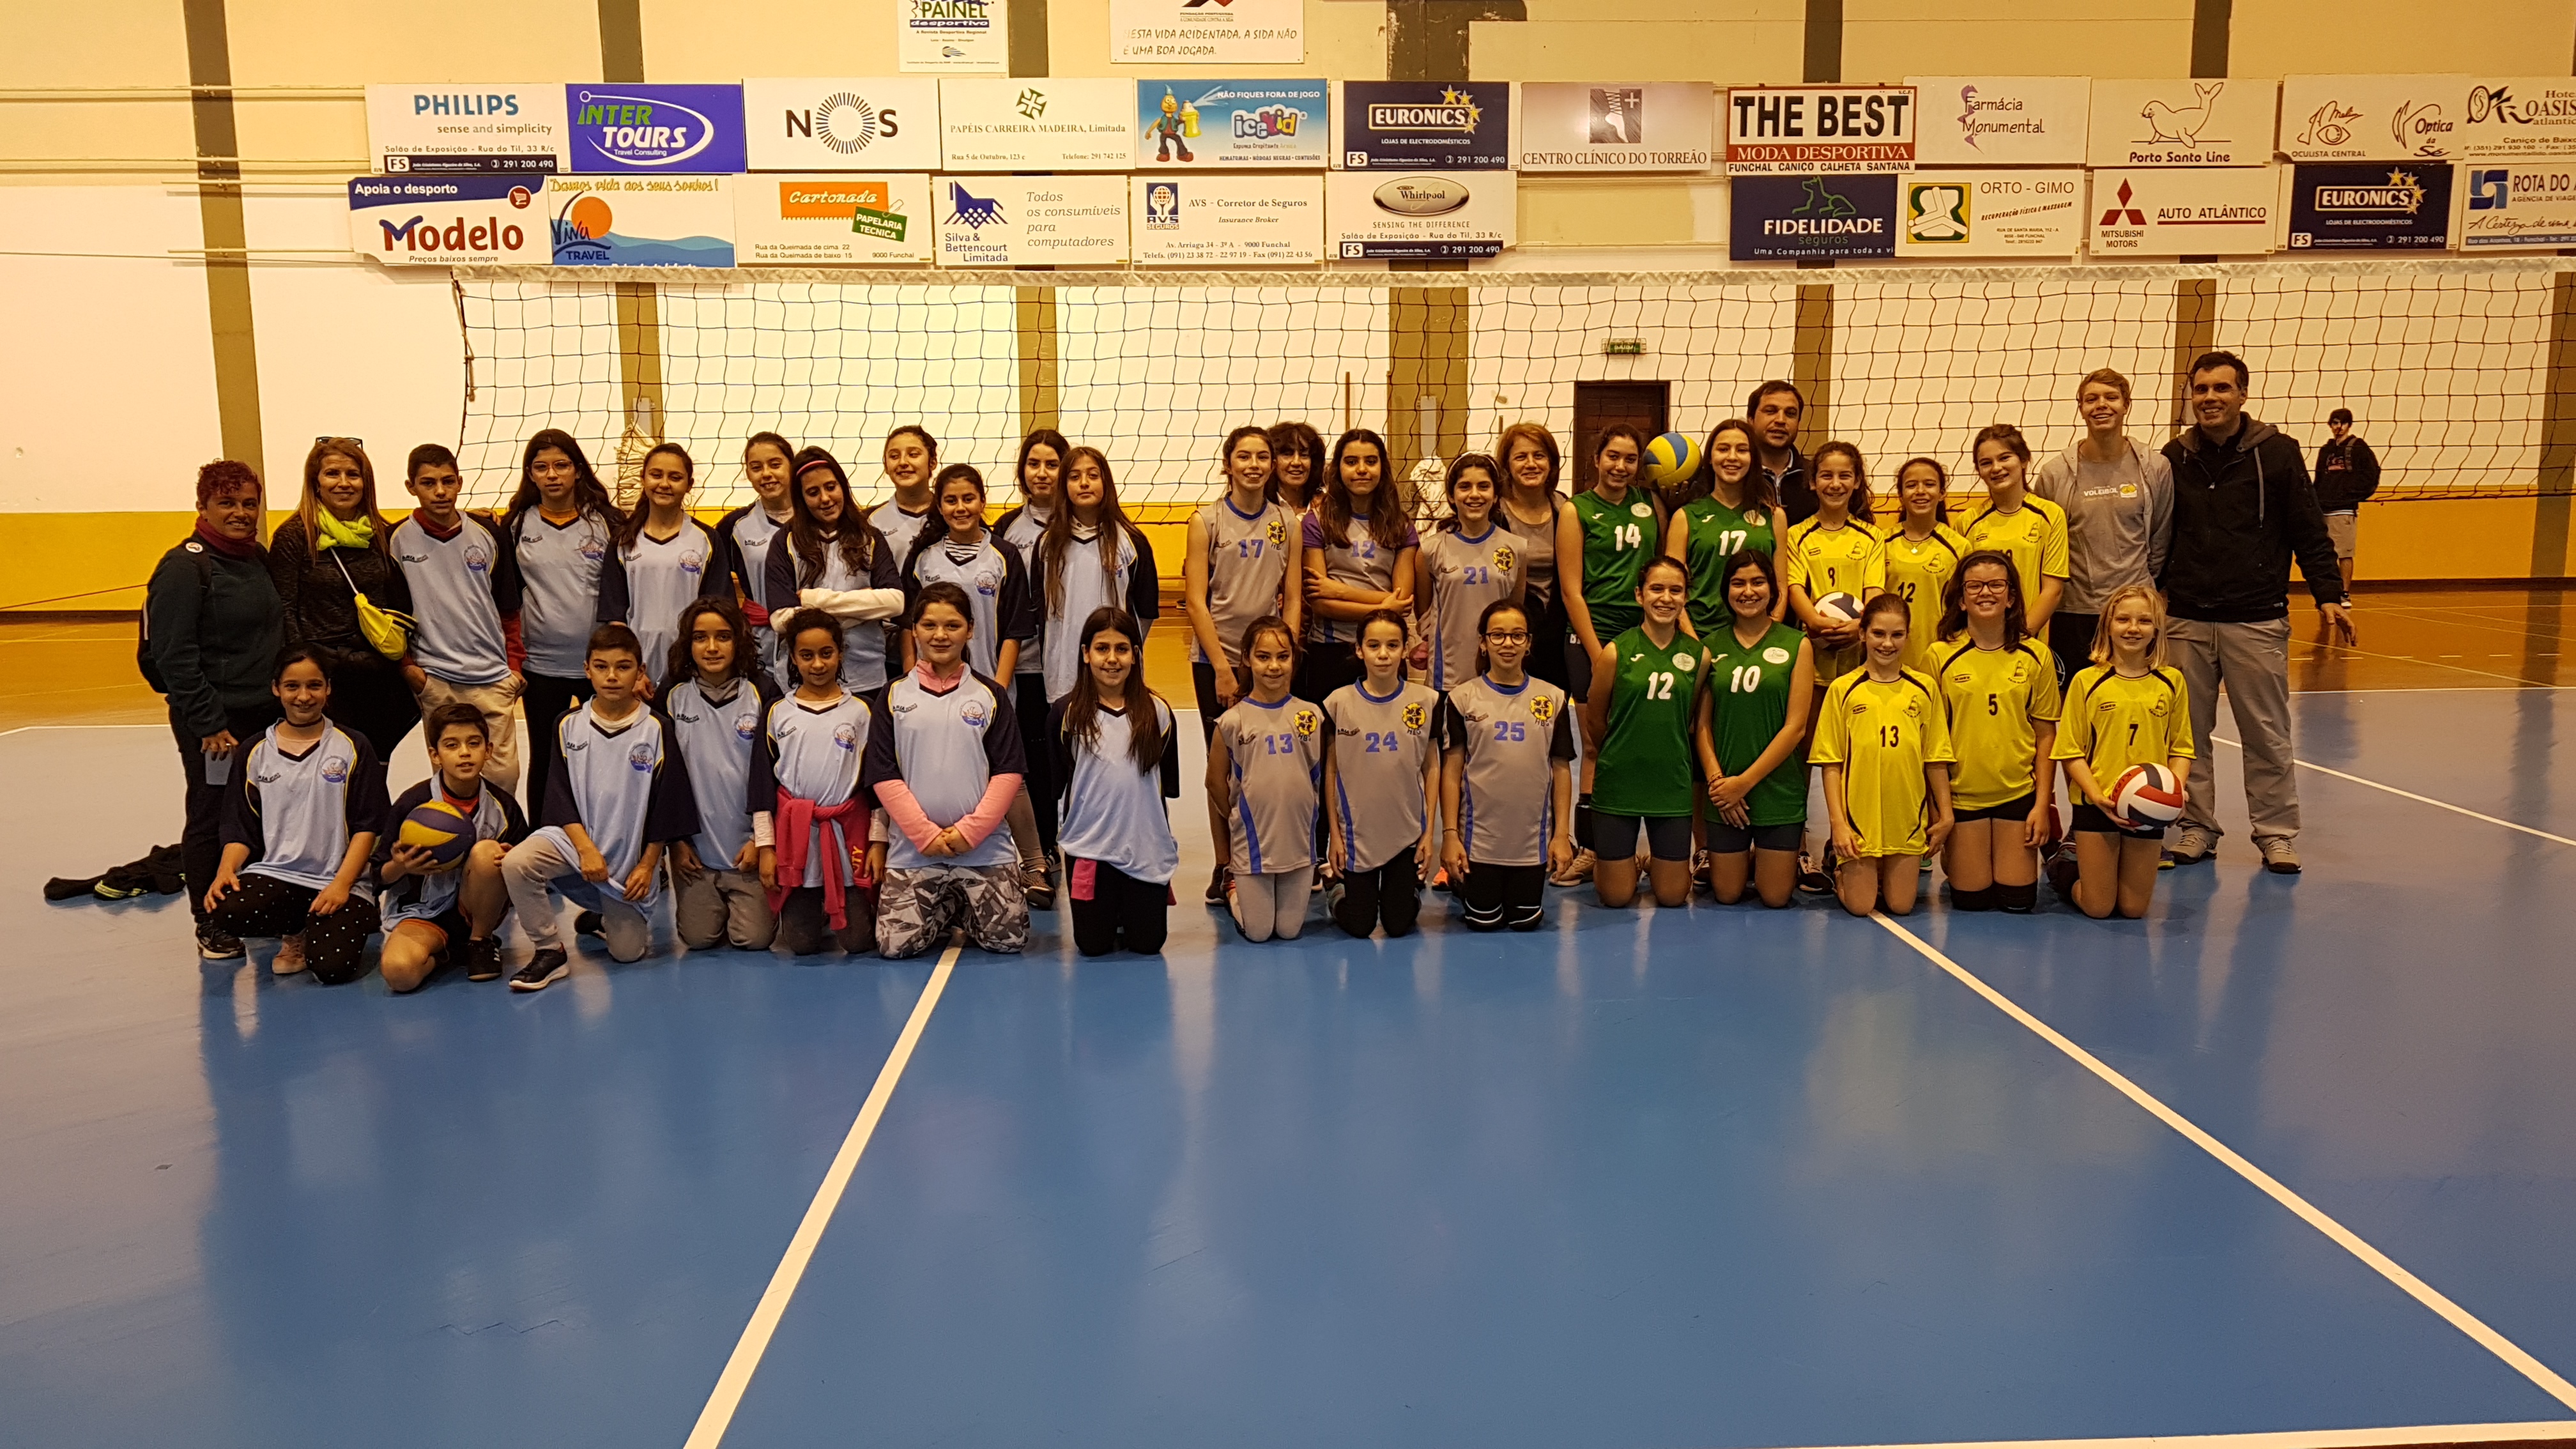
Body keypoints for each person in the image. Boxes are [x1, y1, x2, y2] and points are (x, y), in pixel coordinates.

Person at [2159, 351, 2356, 874]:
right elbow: (2159, 535)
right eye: (2201, 390)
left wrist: (2329, 594)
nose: (2210, 398)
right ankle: (2196, 827)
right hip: (2187, 619)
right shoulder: (2174, 457)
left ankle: (2276, 833)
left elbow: (2308, 529)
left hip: (2256, 618)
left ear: (2242, 394)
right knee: (2187, 735)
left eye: (2221, 388)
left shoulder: (2278, 453)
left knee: (2266, 735)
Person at [500, 623, 702, 989]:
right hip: (574, 843)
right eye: (601, 666)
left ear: (640, 672)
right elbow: (559, 797)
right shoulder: (567, 725)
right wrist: (585, 849)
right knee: (517, 863)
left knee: (628, 953)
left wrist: (648, 865)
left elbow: (667, 805)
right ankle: (549, 949)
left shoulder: (657, 728)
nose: (611, 676)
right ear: (587, 670)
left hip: (627, 858)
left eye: (623, 667)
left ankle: (602, 915)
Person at [146, 459, 286, 962]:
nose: (241, 513)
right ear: (202, 506)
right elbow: (173, 656)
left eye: (249, 503)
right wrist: (209, 723)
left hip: (264, 717)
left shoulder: (257, 559)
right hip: (215, 725)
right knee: (212, 816)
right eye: (227, 503)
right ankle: (208, 920)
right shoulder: (184, 568)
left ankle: (257, 904)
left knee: (265, 813)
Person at [203, 647, 388, 985]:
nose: (304, 697)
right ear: (276, 688)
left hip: (341, 880)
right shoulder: (255, 751)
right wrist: (226, 869)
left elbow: (369, 827)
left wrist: (341, 885)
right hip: (280, 875)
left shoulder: (353, 746)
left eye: (314, 685)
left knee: (332, 968)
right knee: (226, 908)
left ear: (328, 688)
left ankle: (330, 924)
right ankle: (295, 931)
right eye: (292, 686)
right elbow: (240, 828)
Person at [870, 583, 1031, 958]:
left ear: (970, 630)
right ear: (914, 630)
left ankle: (962, 906)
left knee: (1008, 942)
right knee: (895, 947)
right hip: (915, 850)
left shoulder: (991, 696)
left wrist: (970, 833)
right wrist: (924, 835)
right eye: (929, 625)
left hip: (984, 849)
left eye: (952, 625)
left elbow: (1008, 773)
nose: (940, 635)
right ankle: (946, 907)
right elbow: (883, 774)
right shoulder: (893, 696)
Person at [1186, 426, 1301, 903]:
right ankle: (1224, 863)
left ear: (1272, 465)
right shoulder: (1207, 521)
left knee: (1269, 761)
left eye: (1262, 457)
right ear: (1228, 465)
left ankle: (1270, 854)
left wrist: (1285, 654)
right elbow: (1196, 601)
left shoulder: (1286, 520)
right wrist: (1222, 667)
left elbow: (1293, 595)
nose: (1254, 465)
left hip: (1267, 660)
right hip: (1218, 659)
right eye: (1244, 457)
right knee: (1222, 766)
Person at [498, 429, 624, 820]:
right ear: (530, 475)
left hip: (599, 664)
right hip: (541, 665)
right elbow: (506, 597)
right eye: (542, 467)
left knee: (603, 750)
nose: (552, 475)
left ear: (578, 470)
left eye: (561, 465)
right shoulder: (516, 525)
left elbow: (624, 591)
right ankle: (543, 833)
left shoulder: (607, 522)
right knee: (547, 756)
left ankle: (604, 830)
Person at [2049, 585, 2195, 919]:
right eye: (2123, 619)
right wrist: (2096, 796)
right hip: (2096, 803)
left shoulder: (2171, 681)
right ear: (2108, 625)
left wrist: (2174, 791)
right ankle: (2063, 869)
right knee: (2099, 907)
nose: (2133, 628)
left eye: (2144, 621)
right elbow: (2069, 750)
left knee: (2133, 909)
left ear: (2157, 629)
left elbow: (2182, 748)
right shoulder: (2087, 681)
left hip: (2148, 804)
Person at [266, 437, 416, 762]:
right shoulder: (295, 536)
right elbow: (286, 609)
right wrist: (307, 675)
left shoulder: (381, 533)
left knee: (375, 766)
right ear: (316, 483)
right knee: (332, 768)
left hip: (378, 673)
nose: (344, 483)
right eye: (333, 474)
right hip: (328, 676)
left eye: (353, 474)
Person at [1931, 552, 2060, 915]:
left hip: (2017, 794)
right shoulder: (1939, 656)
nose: (1985, 593)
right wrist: (1940, 811)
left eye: (1996, 585)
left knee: (2018, 903)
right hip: (1963, 796)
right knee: (1971, 903)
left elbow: (2046, 736)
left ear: (2011, 597)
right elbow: (1933, 742)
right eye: (1974, 586)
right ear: (1961, 599)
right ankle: (1960, 855)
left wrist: (2042, 806)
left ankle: (2063, 862)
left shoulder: (2037, 656)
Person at [1810, 594, 1954, 918]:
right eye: (1878, 634)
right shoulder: (1843, 690)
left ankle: (1879, 869)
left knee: (1901, 906)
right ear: (1862, 634)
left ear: (1908, 636)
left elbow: (1936, 757)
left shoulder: (1924, 688)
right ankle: (1840, 868)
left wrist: (1945, 815)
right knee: (1861, 906)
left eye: (1896, 635)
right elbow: (1831, 764)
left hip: (1906, 817)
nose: (1887, 644)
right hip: (1858, 820)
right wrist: (1838, 825)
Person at [1439, 601, 1577, 932]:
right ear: (1483, 643)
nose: (1508, 644)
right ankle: (1463, 884)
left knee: (1525, 922)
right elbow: (1452, 772)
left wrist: (1561, 836)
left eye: (1517, 636)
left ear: (1529, 643)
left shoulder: (1552, 698)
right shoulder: (1462, 698)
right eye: (1497, 635)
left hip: (1530, 844)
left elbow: (1560, 770)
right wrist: (1450, 836)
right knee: (1484, 922)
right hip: (1479, 842)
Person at [392, 443, 523, 792]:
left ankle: (499, 832)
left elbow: (509, 608)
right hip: (436, 679)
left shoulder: (488, 533)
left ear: (460, 483)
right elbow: (391, 616)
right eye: (428, 483)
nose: (440, 491)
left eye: (448, 481)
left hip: (492, 677)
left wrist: (514, 668)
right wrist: (410, 670)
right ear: (411, 487)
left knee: (503, 778)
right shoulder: (396, 539)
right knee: (453, 781)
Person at [1051, 608, 1181, 957]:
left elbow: (1165, 786)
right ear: (1085, 654)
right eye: (1102, 649)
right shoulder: (1066, 713)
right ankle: (1111, 909)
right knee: (1092, 945)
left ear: (1136, 655)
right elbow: (1058, 781)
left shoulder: (1158, 712)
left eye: (1122, 649)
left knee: (1148, 944)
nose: (1112, 659)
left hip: (1144, 849)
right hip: (1090, 851)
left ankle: (1130, 906)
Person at [753, 613, 883, 956]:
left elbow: (877, 786)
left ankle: (840, 902)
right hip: (797, 835)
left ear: (840, 653)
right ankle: (816, 906)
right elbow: (761, 786)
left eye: (826, 653)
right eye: (807, 656)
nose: (818, 664)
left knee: (858, 943)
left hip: (847, 831)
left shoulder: (862, 712)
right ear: (793, 658)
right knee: (802, 945)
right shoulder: (777, 712)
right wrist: (766, 848)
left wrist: (878, 842)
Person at [2030, 369, 2174, 681]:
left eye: (2111, 398)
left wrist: (2142, 588)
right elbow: (2046, 545)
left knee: (2135, 697)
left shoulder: (2155, 467)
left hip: (2134, 611)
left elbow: (2160, 538)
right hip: (2075, 611)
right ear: (2081, 408)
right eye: (2091, 399)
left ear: (2126, 405)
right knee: (2074, 699)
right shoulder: (2055, 474)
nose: (2101, 405)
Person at [375, 702, 528, 990]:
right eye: (452, 745)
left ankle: (480, 941)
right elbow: (377, 876)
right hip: (423, 914)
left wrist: (515, 860)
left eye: (474, 743)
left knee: (488, 852)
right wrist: (401, 866)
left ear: (489, 750)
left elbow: (532, 872)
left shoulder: (504, 807)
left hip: (477, 910)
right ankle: (452, 952)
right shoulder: (413, 805)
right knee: (399, 974)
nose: (465, 753)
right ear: (435, 755)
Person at [1694, 551, 1814, 908]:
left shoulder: (1797, 643)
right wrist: (1719, 784)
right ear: (1726, 591)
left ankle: (1767, 859)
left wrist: (1743, 784)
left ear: (1773, 589)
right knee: (1727, 894)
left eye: (1758, 582)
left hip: (1777, 790)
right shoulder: (1710, 646)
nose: (1748, 592)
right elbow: (1702, 724)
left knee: (1776, 897)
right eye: (1738, 583)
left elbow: (1796, 728)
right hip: (1725, 793)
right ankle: (1744, 859)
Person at [1583, 556, 1703, 910]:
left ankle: (1653, 863)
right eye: (1657, 589)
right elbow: (1596, 720)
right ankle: (1625, 864)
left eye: (1676, 590)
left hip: (1671, 783)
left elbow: (1691, 718)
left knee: (1673, 896)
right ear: (1639, 595)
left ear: (1685, 598)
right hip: (1620, 781)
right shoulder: (1615, 652)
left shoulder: (1700, 657)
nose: (1666, 598)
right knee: (1616, 897)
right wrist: (1621, 753)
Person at [663, 597, 781, 954]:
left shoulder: (763, 692)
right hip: (695, 856)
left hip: (748, 851)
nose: (712, 647)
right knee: (698, 939)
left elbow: (779, 775)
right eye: (700, 638)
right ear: (688, 644)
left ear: (739, 640)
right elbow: (663, 781)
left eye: (723, 637)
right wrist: (677, 842)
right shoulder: (671, 695)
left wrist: (763, 841)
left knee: (754, 939)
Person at [1320, 610, 1440, 939]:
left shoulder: (1426, 701)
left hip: (1405, 831)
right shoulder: (1338, 703)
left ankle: (1403, 892)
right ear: (1359, 650)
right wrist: (1335, 835)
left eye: (1392, 645)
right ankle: (1335, 887)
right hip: (1358, 832)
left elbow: (1432, 767)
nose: (1383, 654)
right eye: (1374, 645)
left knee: (1398, 925)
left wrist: (1428, 833)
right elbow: (1331, 771)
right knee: (1360, 926)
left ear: (1405, 649)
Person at [1207, 616, 1322, 943]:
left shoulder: (1311, 716)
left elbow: (1322, 773)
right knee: (1258, 932)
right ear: (1246, 658)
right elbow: (1214, 781)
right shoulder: (1232, 721)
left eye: (1283, 657)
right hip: (1253, 843)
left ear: (1294, 659)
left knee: (1288, 931)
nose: (1274, 666)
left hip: (1298, 841)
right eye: (1263, 657)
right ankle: (1233, 890)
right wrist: (1236, 815)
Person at [762, 447, 905, 694]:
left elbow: (895, 602)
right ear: (801, 498)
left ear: (843, 487)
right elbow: (781, 619)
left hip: (865, 676)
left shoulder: (869, 537)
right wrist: (864, 609)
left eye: (831, 487)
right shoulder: (785, 541)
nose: (825, 499)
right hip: (802, 681)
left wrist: (815, 599)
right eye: (813, 492)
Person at [995, 429, 1071, 880]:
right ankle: (1043, 844)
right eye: (1033, 464)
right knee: (1034, 760)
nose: (1042, 473)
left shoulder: (1084, 523)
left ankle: (1085, 841)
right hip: (1026, 665)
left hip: (1072, 667)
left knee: (1075, 758)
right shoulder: (1007, 528)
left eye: (1052, 464)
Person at [1033, 447, 1161, 708]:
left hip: (1116, 672)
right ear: (1064, 486)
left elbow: (1146, 611)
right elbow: (1038, 611)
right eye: (1074, 477)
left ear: (1106, 483)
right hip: (1063, 673)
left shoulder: (1131, 541)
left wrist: (1120, 651)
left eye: (1093, 475)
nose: (1084, 483)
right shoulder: (1047, 544)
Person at [1301, 429, 1418, 707]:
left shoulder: (1401, 525)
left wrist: (1340, 591)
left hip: (1383, 648)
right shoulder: (1317, 521)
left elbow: (1403, 601)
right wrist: (1383, 605)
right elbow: (1321, 603)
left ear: (1383, 468)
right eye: (1352, 461)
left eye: (1371, 461)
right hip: (1331, 649)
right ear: (1337, 469)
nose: (1362, 470)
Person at [597, 442, 724, 696]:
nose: (664, 484)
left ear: (689, 485)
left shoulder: (706, 539)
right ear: (643, 478)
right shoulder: (623, 541)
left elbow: (718, 612)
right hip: (637, 670)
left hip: (691, 667)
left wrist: (702, 666)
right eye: (656, 475)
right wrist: (631, 671)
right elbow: (616, 617)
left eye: (675, 477)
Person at [901, 463, 1035, 686]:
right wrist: (910, 680)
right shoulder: (922, 557)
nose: (960, 508)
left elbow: (1015, 629)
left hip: (988, 680)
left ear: (982, 502)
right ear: (940, 507)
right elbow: (907, 624)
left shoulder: (1005, 555)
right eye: (951, 501)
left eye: (968, 499)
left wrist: (999, 687)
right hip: (929, 686)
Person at [1667, 417, 1788, 638]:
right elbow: (1672, 587)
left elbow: (1781, 586)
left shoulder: (1774, 516)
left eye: (1742, 450)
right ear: (1710, 458)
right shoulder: (1686, 517)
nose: (1732, 457)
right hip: (1701, 633)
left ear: (1753, 459)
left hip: (1757, 636)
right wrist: (1694, 642)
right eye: (1723, 449)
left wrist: (1766, 635)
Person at [1417, 452, 1524, 692]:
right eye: (1465, 486)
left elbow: (1516, 608)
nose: (1474, 494)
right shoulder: (1430, 549)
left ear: (1495, 495)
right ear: (1451, 496)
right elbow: (1424, 613)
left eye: (1483, 486)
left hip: (1500, 670)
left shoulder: (1516, 548)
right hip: (1448, 674)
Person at [1495, 423, 1586, 693]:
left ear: (1552, 463)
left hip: (1557, 631)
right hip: (1510, 634)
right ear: (1507, 465)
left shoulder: (1566, 508)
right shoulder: (1494, 513)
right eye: (1521, 457)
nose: (1531, 464)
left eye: (1539, 456)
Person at [1959, 424, 2069, 643]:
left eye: (2004, 458)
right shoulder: (1968, 522)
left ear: (2024, 460)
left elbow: (2053, 590)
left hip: (2027, 639)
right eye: (1986, 463)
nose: (1996, 468)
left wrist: (2021, 636)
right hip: (1979, 641)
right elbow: (1963, 591)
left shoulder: (2050, 515)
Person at [714, 431, 799, 688]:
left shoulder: (818, 517)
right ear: (748, 474)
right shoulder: (734, 526)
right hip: (760, 641)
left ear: (792, 466)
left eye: (775, 464)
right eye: (756, 467)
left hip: (812, 638)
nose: (767, 474)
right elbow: (716, 586)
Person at [1876, 457, 1970, 672]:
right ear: (1900, 495)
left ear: (1942, 493)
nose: (1920, 491)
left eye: (1929, 484)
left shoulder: (1958, 546)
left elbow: (1963, 610)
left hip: (1936, 655)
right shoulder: (1881, 542)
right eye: (1911, 485)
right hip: (1886, 653)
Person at [2315, 408, 2379, 594]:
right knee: (2325, 554)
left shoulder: (2358, 448)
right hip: (2324, 509)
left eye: (2342, 423)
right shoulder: (2326, 451)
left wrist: (2354, 495)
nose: (2339, 427)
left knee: (2344, 553)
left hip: (2344, 509)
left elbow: (2372, 474)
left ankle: (2344, 592)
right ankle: (2329, 591)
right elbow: (2319, 479)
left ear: (2349, 425)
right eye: (2335, 423)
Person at [868, 425, 942, 563]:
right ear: (886, 466)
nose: (903, 462)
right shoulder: (871, 521)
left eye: (913, 455)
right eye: (894, 456)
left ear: (932, 462)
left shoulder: (952, 515)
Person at [1747, 381, 1816, 525]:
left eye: (1790, 414)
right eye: (1770, 411)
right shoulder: (1733, 476)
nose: (1780, 420)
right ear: (1751, 419)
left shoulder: (1816, 477)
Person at [1268, 420, 1324, 513]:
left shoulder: (1327, 507)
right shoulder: (1259, 506)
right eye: (1287, 454)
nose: (1296, 462)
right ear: (1272, 461)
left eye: (1304, 455)